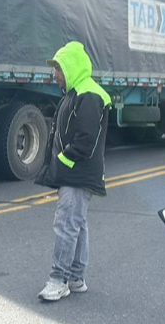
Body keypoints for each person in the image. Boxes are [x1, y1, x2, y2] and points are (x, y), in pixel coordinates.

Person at [39, 41, 112, 302]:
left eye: (58, 69)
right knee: (77, 224)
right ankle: (76, 277)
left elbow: (84, 142)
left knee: (66, 225)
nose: (55, 74)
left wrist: (61, 163)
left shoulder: (88, 94)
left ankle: (59, 280)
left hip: (78, 174)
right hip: (77, 174)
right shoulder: (78, 92)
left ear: (70, 67)